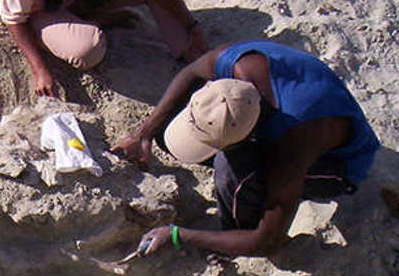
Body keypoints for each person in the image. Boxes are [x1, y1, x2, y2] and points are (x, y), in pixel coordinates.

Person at [113, 40, 381, 256]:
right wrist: (143, 134)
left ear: (249, 136)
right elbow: (191, 73)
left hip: (338, 165)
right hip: (292, 113)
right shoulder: (237, 64)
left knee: (232, 169)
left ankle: (233, 231)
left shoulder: (293, 146)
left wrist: (179, 234)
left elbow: (268, 241)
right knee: (164, 129)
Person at [0, 0, 208, 97]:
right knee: (86, 51)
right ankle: (87, 23)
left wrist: (190, 26)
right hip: (43, 8)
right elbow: (13, 20)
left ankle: (189, 51)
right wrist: (40, 70)